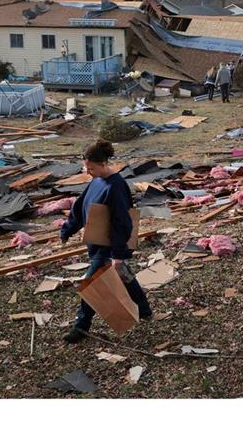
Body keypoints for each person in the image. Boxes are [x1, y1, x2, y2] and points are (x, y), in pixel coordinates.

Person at [60, 140, 152, 344]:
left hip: (109, 246)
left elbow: (122, 222)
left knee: (91, 285)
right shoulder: (96, 181)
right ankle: (144, 309)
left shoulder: (116, 186)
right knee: (122, 274)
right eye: (86, 168)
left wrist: (118, 254)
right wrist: (67, 229)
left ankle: (81, 327)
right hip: (96, 243)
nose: (88, 172)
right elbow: (81, 207)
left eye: (91, 168)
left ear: (103, 164)